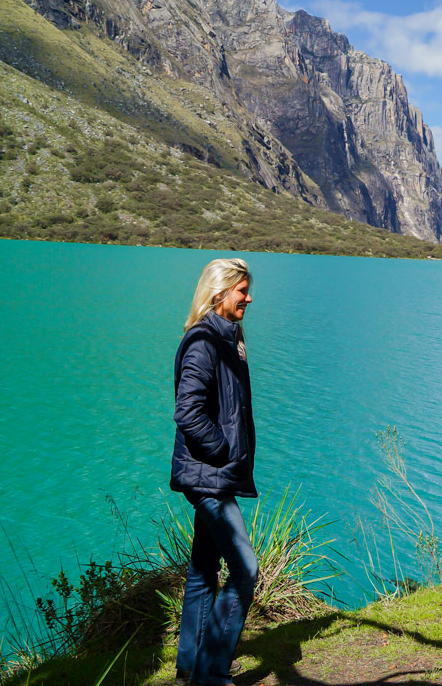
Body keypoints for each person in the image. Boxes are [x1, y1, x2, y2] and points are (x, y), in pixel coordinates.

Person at [171, 259, 259, 686]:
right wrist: (222, 450)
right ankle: (210, 675)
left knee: (204, 567)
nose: (248, 298)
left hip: (213, 474)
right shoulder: (204, 341)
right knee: (244, 569)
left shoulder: (230, 337)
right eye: (242, 290)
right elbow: (186, 412)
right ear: (219, 292)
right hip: (208, 477)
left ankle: (190, 666)